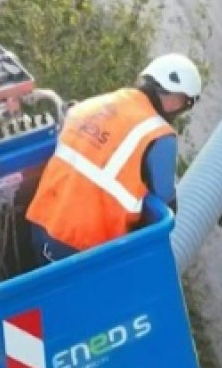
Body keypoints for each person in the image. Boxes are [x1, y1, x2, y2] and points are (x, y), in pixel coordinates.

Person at [25, 53, 202, 268]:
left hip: (40, 220)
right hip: (80, 244)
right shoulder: (159, 135)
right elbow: (166, 201)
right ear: (176, 100)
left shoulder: (96, 103)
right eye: (185, 103)